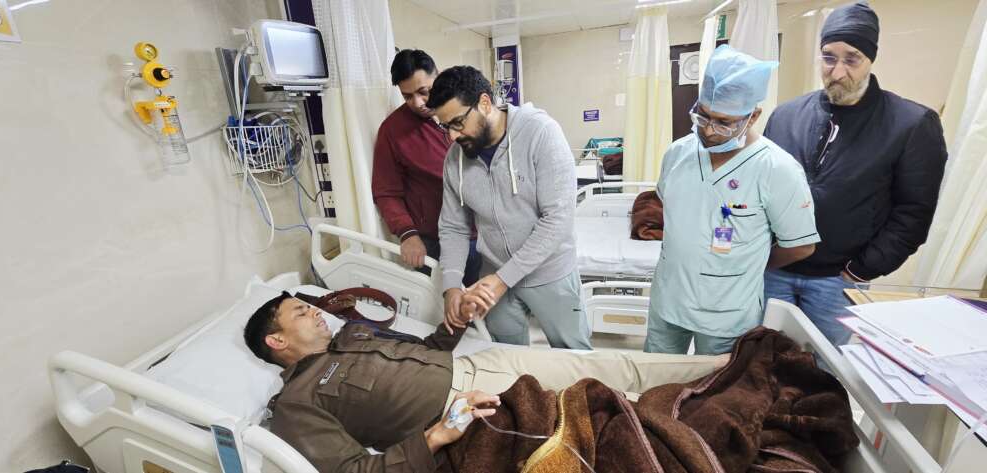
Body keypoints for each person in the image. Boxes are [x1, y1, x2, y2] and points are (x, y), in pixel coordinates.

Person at [244, 292, 725, 473]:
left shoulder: (352, 335)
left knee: (611, 364)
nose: (317, 313)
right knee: (615, 406)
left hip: (484, 361)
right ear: (276, 341)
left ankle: (724, 369)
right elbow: (353, 470)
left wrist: (454, 323)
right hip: (467, 406)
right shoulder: (295, 404)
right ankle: (711, 423)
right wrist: (435, 437)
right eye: (301, 312)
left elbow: (425, 350)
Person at [763, 1, 947, 346]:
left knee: (825, 367)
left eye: (852, 59)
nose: (837, 72)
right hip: (774, 272)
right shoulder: (786, 116)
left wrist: (861, 269)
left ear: (870, 59)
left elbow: (913, 212)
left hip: (837, 280)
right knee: (762, 360)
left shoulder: (910, 124)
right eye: (829, 58)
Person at [644, 45, 820, 356]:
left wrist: (749, 263)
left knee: (717, 383)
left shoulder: (777, 169)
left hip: (726, 311)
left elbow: (801, 246)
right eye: (703, 116)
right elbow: (670, 208)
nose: (709, 131)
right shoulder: (677, 154)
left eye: (724, 123)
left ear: (753, 116)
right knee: (656, 379)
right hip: (668, 299)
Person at [426, 65, 591, 349]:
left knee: (574, 356)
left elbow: (557, 219)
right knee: (505, 355)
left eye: (458, 122)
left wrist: (504, 278)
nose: (452, 136)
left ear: (484, 103)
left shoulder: (541, 133)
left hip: (549, 272)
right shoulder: (455, 159)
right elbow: (453, 227)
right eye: (445, 127)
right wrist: (451, 285)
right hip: (494, 274)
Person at [372, 49, 481, 286]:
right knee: (444, 302)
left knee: (484, 300)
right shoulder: (393, 131)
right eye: (407, 96)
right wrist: (407, 233)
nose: (418, 103)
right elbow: (386, 191)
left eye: (424, 91)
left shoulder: (466, 109)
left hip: (482, 230)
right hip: (435, 240)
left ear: (438, 76)